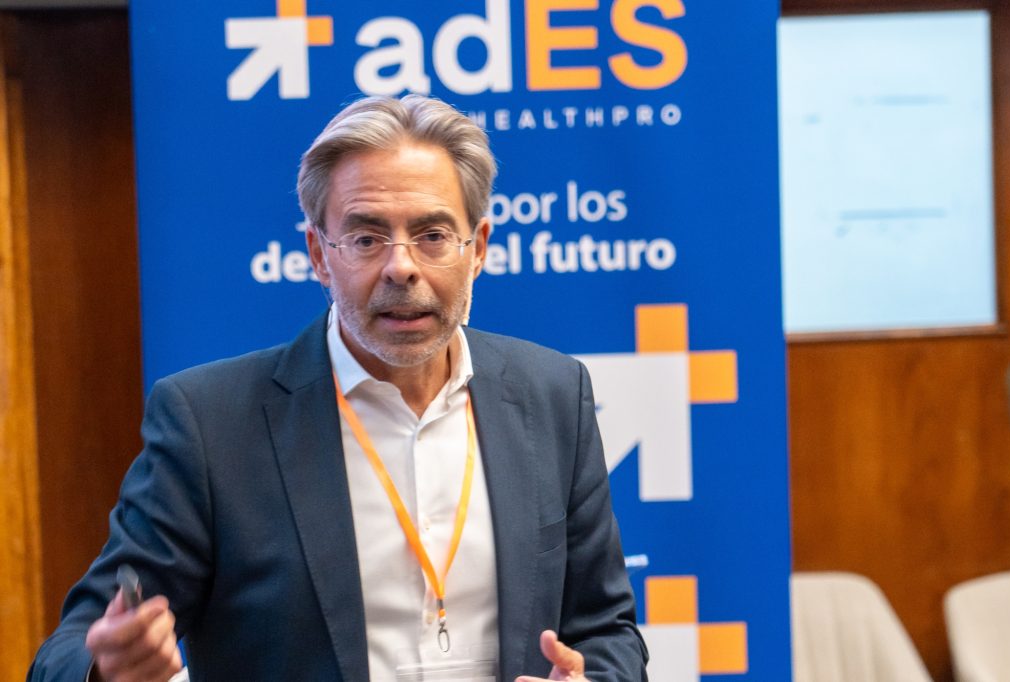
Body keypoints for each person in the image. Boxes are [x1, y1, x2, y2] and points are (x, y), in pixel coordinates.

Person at [29, 95, 648, 681]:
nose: (401, 267)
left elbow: (607, 632)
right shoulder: (212, 425)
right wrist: (104, 668)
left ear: (478, 249)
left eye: (432, 236)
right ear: (319, 255)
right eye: (366, 238)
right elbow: (71, 645)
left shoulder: (552, 396)